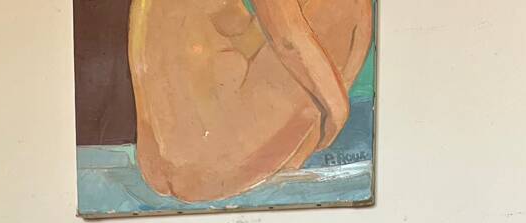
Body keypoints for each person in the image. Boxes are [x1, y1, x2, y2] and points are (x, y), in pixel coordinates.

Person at [128, 0, 372, 202]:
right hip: (209, 160)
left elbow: (230, 24)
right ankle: (293, 156)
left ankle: (284, 156)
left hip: (160, 162)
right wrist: (338, 110)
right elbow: (288, 40)